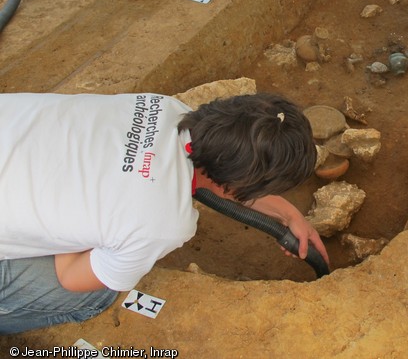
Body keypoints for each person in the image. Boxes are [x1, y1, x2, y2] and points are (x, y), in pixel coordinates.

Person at [0, 91, 329, 335]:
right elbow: (70, 276)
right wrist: (81, 228)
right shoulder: (165, 224)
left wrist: (289, 216)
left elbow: (209, 177)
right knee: (98, 293)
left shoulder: (163, 107)